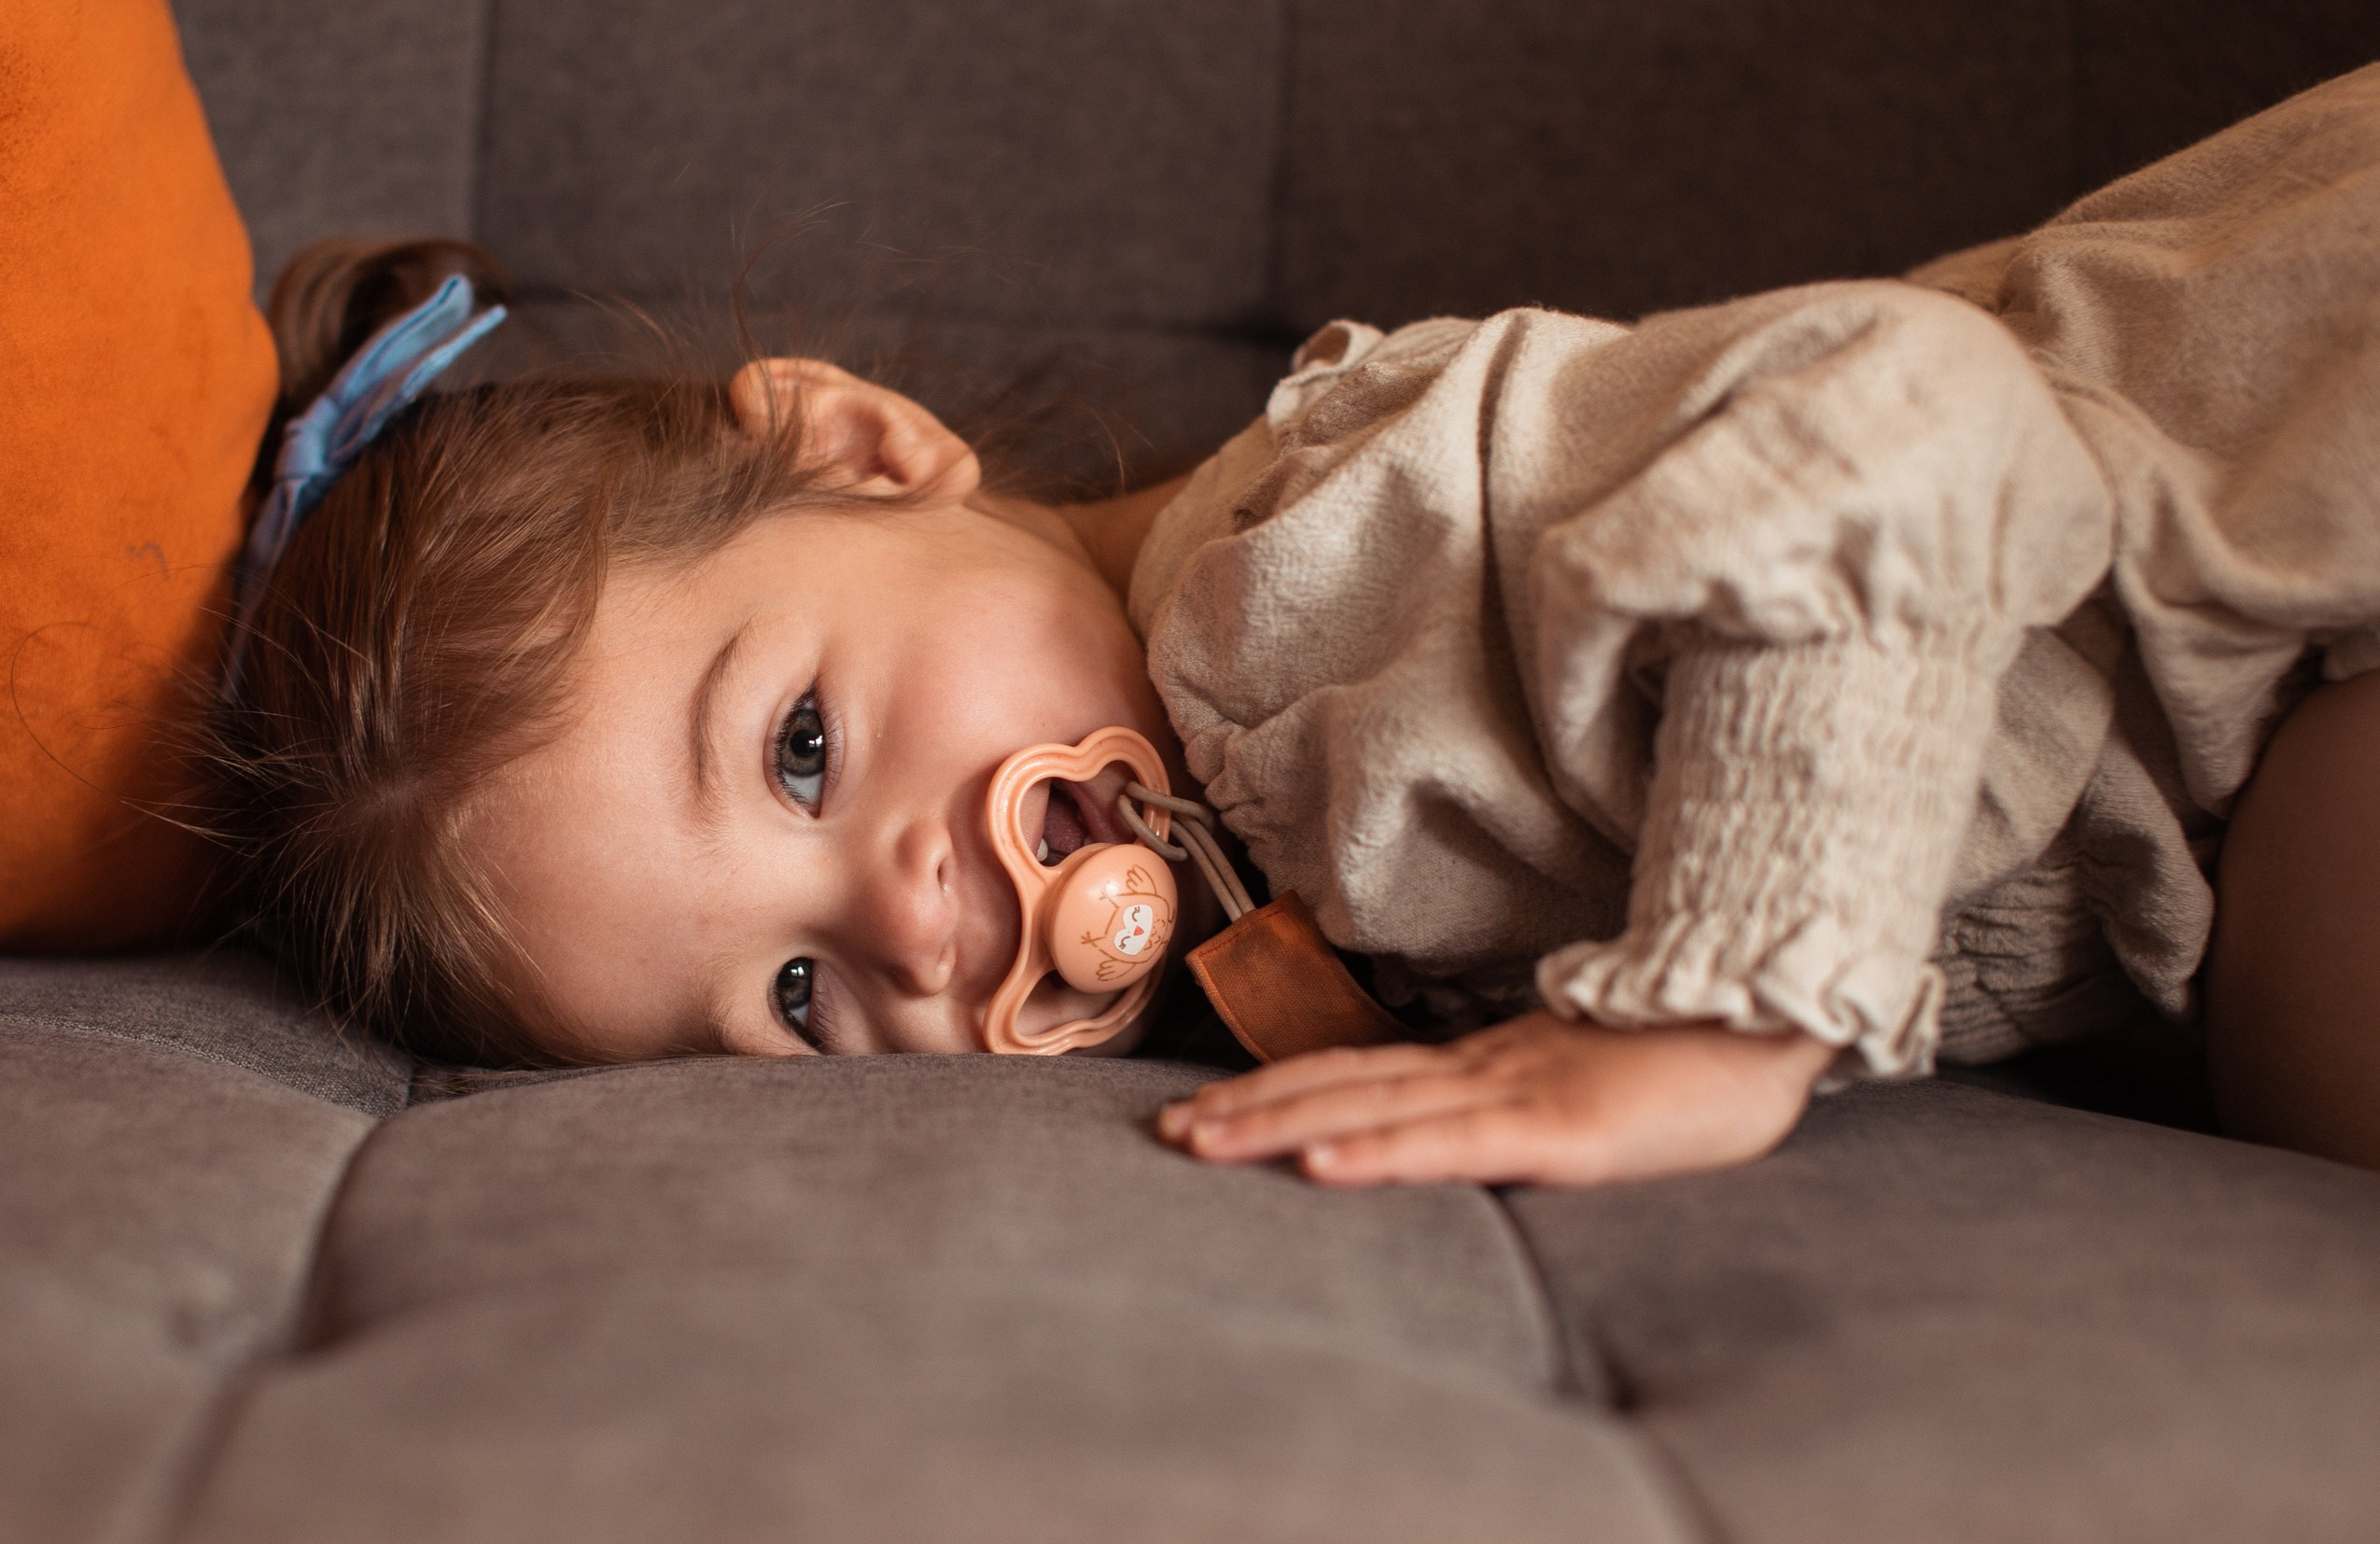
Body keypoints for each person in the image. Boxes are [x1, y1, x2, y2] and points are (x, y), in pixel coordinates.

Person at [211, 65, 2380, 1186]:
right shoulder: (1266, 877)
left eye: (799, 749)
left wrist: (1719, 1019)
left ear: (873, 449)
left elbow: (1919, 425)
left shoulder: (1325, 564)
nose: (901, 924)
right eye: (783, 991)